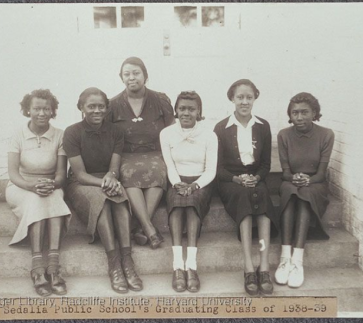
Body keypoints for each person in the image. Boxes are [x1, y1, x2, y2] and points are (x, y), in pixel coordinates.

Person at [64, 87, 142, 294]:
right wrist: (104, 183)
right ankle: (114, 263)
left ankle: (127, 261)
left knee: (119, 198)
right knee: (103, 199)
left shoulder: (116, 131)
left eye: (101, 106)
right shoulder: (72, 132)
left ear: (107, 108)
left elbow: (114, 167)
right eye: (91, 106)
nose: (96, 110)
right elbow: (79, 174)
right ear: (81, 108)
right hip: (82, 184)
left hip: (107, 179)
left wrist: (112, 177)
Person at [214, 79, 278, 296]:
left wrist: (257, 177)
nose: (244, 101)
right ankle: (249, 266)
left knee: (261, 196)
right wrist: (237, 179)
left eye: (249, 97)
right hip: (231, 182)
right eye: (240, 97)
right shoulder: (221, 128)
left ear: (255, 98)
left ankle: (264, 265)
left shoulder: (263, 126)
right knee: (245, 197)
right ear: (232, 98)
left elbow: (266, 165)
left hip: (255, 179)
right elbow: (218, 168)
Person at [6, 89, 71, 297]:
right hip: (21, 187)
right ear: (28, 110)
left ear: (53, 112)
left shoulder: (60, 135)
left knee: (53, 197)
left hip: (51, 185)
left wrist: (52, 184)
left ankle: (53, 266)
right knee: (36, 200)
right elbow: (13, 174)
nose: (42, 113)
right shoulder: (18, 134)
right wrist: (32, 186)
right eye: (36, 108)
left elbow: (62, 174)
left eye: (46, 109)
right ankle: (37, 268)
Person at [108, 57, 175, 249]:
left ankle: (139, 228)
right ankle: (149, 228)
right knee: (128, 173)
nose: (131, 77)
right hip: (126, 154)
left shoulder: (160, 100)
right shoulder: (113, 105)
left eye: (136, 73)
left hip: (155, 152)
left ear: (145, 76)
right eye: (126, 74)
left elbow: (171, 127)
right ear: (121, 78)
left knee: (158, 171)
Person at [275, 92, 334, 288]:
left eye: (304, 112)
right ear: (290, 115)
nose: (299, 117)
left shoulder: (326, 135)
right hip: (291, 181)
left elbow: (321, 174)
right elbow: (285, 172)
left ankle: (297, 261)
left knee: (305, 194)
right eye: (295, 113)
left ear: (314, 113)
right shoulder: (284, 135)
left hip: (315, 184)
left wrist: (308, 180)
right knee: (291, 192)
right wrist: (294, 178)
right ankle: (285, 258)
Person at [160, 91, 218, 293]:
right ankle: (177, 266)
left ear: (199, 111)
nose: (186, 112)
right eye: (182, 108)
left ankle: (191, 266)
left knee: (192, 205)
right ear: (176, 110)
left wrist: (194, 186)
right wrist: (177, 183)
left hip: (201, 182)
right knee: (176, 206)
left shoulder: (209, 135)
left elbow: (211, 170)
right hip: (176, 181)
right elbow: (169, 166)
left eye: (191, 109)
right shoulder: (166, 133)